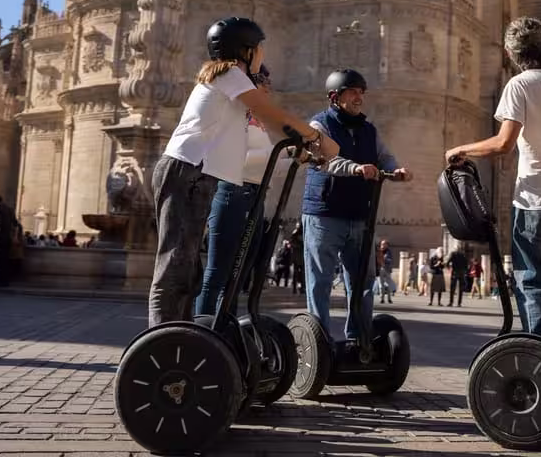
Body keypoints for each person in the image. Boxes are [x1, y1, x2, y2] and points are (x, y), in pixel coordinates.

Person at [148, 17, 338, 327]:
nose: (263, 56)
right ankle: (159, 344)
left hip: (196, 175)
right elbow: (273, 114)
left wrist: (300, 148)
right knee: (175, 266)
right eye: (260, 49)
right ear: (245, 50)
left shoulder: (227, 80)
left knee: (188, 269)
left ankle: (183, 338)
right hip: (186, 171)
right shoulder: (230, 74)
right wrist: (318, 138)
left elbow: (269, 130)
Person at [445, 0, 541, 351]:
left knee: (530, 279)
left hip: (535, 201)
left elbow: (503, 144)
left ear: (510, 54)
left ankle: (540, 353)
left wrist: (461, 149)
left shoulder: (518, 85)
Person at [301, 68, 412, 344]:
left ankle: (359, 342)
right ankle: (320, 343)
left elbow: (384, 156)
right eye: (352, 92)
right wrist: (354, 168)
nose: (358, 97)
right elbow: (324, 159)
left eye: (361, 92)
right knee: (320, 283)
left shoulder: (368, 130)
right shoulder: (319, 126)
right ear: (335, 96)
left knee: (363, 283)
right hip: (324, 214)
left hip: (361, 215)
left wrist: (396, 170)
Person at [0, 195, 17, 287]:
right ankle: (5, 280)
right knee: (6, 260)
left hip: (1, 238)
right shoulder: (10, 210)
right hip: (8, 239)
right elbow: (15, 223)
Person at [377, 240, 394, 304]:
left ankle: (389, 299)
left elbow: (390, 260)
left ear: (387, 245)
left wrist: (384, 258)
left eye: (384, 244)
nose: (382, 245)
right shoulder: (378, 251)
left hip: (387, 270)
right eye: (382, 244)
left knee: (388, 285)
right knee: (381, 285)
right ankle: (382, 299)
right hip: (379, 269)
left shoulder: (389, 252)